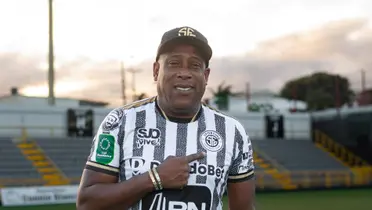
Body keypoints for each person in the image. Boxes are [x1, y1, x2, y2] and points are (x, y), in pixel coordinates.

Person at [77, 26, 255, 210]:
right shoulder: (121, 121)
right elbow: (87, 203)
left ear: (206, 75)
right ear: (156, 71)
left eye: (195, 65)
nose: (184, 73)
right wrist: (154, 179)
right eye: (174, 63)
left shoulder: (232, 131)